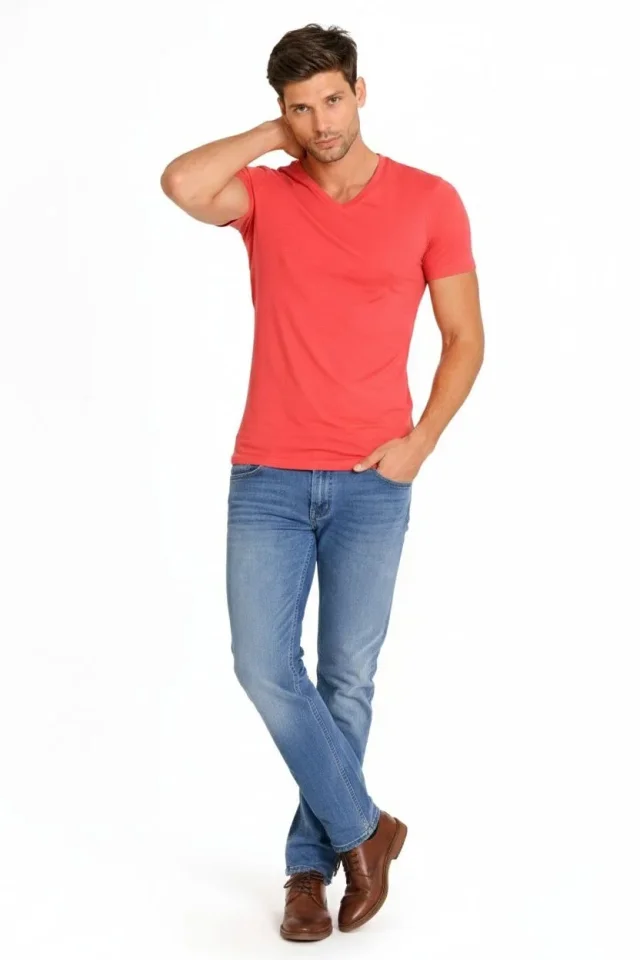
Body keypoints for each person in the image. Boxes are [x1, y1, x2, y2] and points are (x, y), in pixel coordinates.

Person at [160, 21, 484, 941]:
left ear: (361, 91)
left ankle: (310, 871)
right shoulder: (265, 195)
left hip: (374, 480)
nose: (322, 121)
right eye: (301, 108)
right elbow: (181, 183)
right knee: (263, 667)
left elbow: (465, 338)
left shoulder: (430, 200)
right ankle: (367, 829)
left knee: (346, 679)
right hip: (267, 472)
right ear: (284, 112)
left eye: (333, 100)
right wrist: (276, 137)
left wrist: (421, 442)